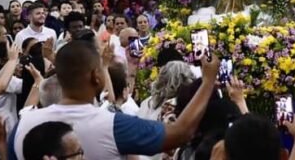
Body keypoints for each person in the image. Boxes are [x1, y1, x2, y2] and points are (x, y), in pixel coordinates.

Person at [13, 39, 221, 159]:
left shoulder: (23, 125)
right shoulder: (111, 123)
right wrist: (208, 81)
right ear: (96, 76)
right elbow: (180, 133)